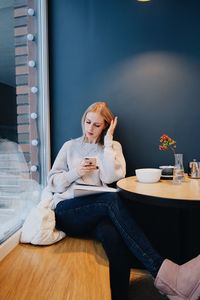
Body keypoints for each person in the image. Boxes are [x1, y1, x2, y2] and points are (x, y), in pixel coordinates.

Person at [47, 102, 200, 300]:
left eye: (97, 125)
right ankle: (168, 275)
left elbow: (113, 177)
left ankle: (123, 296)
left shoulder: (112, 147)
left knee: (113, 237)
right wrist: (76, 172)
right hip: (68, 211)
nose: (90, 128)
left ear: (106, 127)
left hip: (98, 213)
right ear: (83, 121)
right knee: (112, 199)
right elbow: (52, 183)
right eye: (88, 122)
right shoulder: (70, 146)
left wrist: (108, 143)